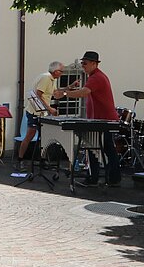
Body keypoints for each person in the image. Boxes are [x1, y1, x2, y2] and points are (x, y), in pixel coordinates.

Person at [64, 51, 121, 187]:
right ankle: (103, 177)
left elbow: (84, 92)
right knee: (101, 148)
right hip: (99, 120)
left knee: (102, 149)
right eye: (82, 63)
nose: (82, 66)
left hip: (104, 120)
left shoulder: (97, 77)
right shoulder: (94, 76)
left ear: (94, 64)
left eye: (85, 63)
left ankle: (103, 177)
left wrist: (65, 93)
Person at [18, 62, 67, 168]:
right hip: (34, 112)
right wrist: (50, 109)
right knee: (30, 135)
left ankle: (42, 159)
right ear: (56, 71)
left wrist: (70, 87)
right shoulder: (46, 78)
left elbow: (55, 94)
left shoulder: (51, 79)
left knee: (44, 136)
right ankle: (20, 159)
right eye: (61, 71)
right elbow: (38, 94)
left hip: (42, 112)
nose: (62, 74)